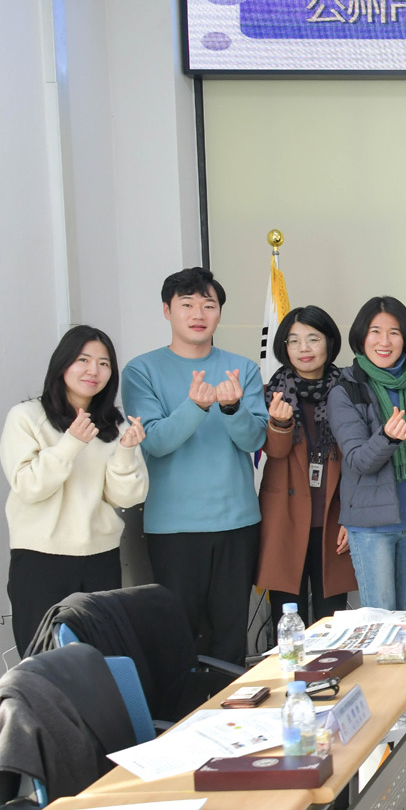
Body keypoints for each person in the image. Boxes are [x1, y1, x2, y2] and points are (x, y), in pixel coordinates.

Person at [122, 268, 268, 666]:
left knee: (231, 637)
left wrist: (233, 408)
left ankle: (230, 708)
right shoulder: (141, 370)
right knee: (177, 638)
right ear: (166, 311)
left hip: (237, 521)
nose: (198, 314)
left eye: (209, 305)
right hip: (174, 526)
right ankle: (182, 707)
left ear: (220, 313)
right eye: (186, 304)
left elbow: (255, 440)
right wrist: (197, 406)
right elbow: (155, 441)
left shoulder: (242, 368)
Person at [1, 326, 148, 653]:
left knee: (102, 658)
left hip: (101, 558)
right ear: (62, 363)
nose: (94, 370)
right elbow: (28, 486)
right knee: (44, 661)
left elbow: (128, 497)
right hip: (41, 559)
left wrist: (125, 451)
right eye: (83, 359)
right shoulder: (26, 417)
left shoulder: (115, 424)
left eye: (104, 363)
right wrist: (71, 443)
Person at [327, 296, 406, 613]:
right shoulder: (345, 389)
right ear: (361, 336)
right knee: (380, 618)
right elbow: (358, 461)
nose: (384, 341)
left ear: (405, 338)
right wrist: (388, 438)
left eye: (394, 332)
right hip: (371, 528)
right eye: (375, 331)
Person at [256, 306, 356, 628]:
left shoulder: (349, 391)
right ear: (284, 347)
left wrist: (352, 517)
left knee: (333, 623)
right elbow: (275, 451)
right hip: (285, 518)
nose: (304, 348)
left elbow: (358, 460)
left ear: (329, 343)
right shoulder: (272, 392)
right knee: (288, 621)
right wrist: (280, 423)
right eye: (294, 340)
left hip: (333, 518)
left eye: (313, 339)